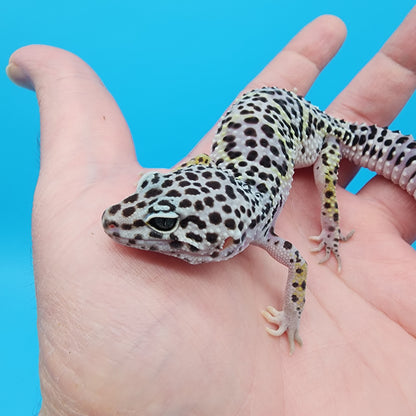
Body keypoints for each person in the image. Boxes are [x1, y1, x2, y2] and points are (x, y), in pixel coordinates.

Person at [7, 9, 416, 415]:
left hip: (316, 133)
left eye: (163, 226)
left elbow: (299, 265)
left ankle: (331, 225)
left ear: (224, 242)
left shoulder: (256, 232)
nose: (118, 221)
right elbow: (204, 173)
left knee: (328, 182)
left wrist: (299, 302)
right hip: (273, 116)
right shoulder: (228, 199)